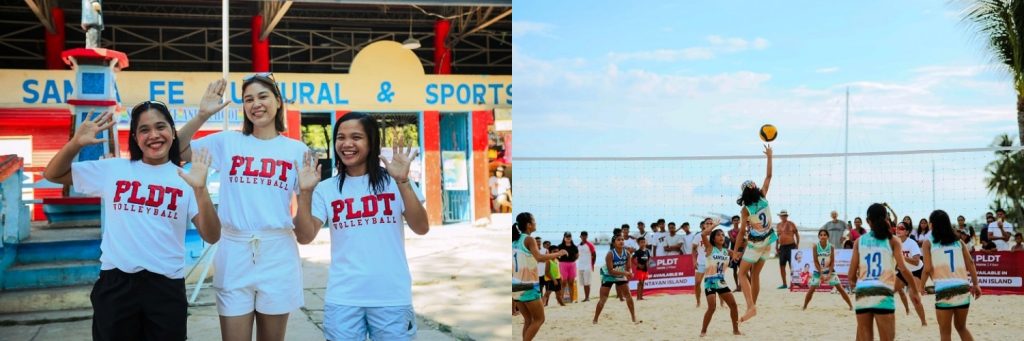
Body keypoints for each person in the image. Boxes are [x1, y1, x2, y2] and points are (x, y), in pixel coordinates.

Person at [44, 105, 220, 340]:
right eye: (144, 130)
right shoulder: (114, 170)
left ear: (173, 132)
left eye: (160, 127)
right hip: (117, 285)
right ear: (135, 138)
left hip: (165, 288)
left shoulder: (186, 178)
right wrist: (76, 143)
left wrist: (200, 189)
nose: (154, 135)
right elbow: (53, 174)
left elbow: (212, 235)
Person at [177, 76, 309, 340]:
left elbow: (306, 221)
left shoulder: (296, 150)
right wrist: (202, 115)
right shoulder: (227, 142)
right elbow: (176, 150)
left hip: (278, 253)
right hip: (235, 250)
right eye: (248, 99)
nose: (255, 104)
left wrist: (307, 192)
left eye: (263, 96)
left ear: (278, 102)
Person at [293, 112, 429, 340]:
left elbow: (421, 227)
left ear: (371, 142)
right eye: (341, 137)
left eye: (356, 137)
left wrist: (403, 182)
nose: (347, 144)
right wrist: (305, 193)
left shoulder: (395, 181)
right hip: (343, 298)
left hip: (391, 297)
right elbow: (304, 236)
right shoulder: (327, 189)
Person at [849, 203, 922, 341]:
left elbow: (851, 276)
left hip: (863, 293)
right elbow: (904, 269)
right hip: (883, 293)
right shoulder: (893, 240)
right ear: (886, 219)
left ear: (867, 221)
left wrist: (857, 287)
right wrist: (915, 290)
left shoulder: (859, 241)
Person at [920, 209, 982, 341]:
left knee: (945, 332)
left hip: (944, 290)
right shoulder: (958, 241)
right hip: (962, 287)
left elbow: (927, 268)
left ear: (932, 224)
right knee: (962, 328)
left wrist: (921, 286)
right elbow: (970, 263)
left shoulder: (928, 242)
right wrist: (976, 284)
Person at [731, 144, 776, 322]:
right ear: (755, 189)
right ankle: (753, 305)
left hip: (756, 244)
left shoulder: (746, 209)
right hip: (769, 241)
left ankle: (751, 306)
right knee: (755, 275)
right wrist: (770, 156)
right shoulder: (764, 196)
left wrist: (735, 251)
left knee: (742, 274)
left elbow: (741, 232)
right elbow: (769, 176)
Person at [511, 213, 567, 341]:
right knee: (539, 319)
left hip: (515, 284)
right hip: (528, 284)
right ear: (529, 225)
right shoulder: (529, 239)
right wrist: (558, 253)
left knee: (528, 320)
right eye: (534, 221)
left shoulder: (514, 241)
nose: (536, 223)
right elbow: (540, 257)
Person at [698, 223, 742, 337]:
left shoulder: (727, 251)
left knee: (733, 305)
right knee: (712, 307)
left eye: (723, 235)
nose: (722, 236)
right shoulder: (710, 248)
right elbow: (703, 234)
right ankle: (703, 330)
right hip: (710, 281)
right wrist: (714, 225)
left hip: (721, 281)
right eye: (718, 235)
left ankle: (735, 330)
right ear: (713, 238)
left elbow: (739, 255)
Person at [592, 236, 640, 324]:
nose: (621, 241)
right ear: (614, 243)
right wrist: (625, 273)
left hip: (620, 274)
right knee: (603, 299)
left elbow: (629, 267)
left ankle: (634, 318)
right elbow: (611, 271)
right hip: (608, 275)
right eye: (618, 240)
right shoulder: (610, 254)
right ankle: (595, 319)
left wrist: (630, 272)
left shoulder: (627, 253)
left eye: (622, 239)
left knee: (628, 296)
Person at [802, 230, 852, 310]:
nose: (823, 236)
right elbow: (815, 261)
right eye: (821, 235)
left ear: (827, 237)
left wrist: (829, 273)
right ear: (819, 237)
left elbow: (832, 261)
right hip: (818, 271)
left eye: (825, 235)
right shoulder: (815, 247)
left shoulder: (831, 246)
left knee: (840, 288)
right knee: (811, 289)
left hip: (830, 270)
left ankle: (851, 306)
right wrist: (821, 274)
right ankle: (804, 306)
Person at [894, 220, 927, 325]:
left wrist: (902, 258)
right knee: (889, 292)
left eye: (901, 228)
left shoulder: (911, 243)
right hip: (903, 271)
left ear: (907, 232)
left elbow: (916, 262)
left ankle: (924, 322)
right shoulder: (894, 242)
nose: (898, 230)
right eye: (897, 228)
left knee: (913, 296)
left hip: (916, 271)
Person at [776, 210, 799, 289]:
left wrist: (797, 245)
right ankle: (784, 284)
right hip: (782, 247)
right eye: (782, 215)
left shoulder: (791, 224)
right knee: (782, 265)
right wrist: (776, 246)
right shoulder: (778, 225)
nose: (783, 217)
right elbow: (777, 236)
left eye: (785, 215)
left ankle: (793, 283)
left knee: (792, 265)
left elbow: (797, 234)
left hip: (791, 246)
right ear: (780, 216)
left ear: (787, 216)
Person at [692, 218, 712, 307]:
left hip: (712, 262)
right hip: (701, 262)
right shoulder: (698, 236)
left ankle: (722, 303)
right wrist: (694, 261)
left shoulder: (715, 235)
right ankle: (698, 302)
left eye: (711, 223)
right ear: (703, 225)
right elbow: (693, 249)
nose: (709, 224)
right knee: (697, 283)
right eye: (707, 223)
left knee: (717, 283)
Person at [557, 232, 579, 303]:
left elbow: (577, 255)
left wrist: (573, 260)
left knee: (571, 283)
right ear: (564, 237)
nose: (568, 238)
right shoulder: (560, 246)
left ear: (571, 238)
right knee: (563, 282)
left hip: (572, 264)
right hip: (563, 264)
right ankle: (561, 300)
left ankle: (572, 300)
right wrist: (560, 260)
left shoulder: (574, 246)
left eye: (569, 237)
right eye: (567, 237)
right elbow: (556, 254)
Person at [578, 231, 597, 302]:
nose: (584, 237)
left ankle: (587, 297)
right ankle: (586, 297)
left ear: (587, 236)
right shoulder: (579, 245)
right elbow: (576, 254)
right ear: (580, 236)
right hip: (580, 266)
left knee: (587, 282)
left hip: (587, 266)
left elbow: (594, 255)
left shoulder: (590, 245)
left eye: (585, 235)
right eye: (582, 235)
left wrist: (593, 264)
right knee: (583, 283)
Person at [727, 215, 744, 292]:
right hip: (733, 251)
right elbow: (733, 241)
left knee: (742, 270)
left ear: (739, 221)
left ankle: (741, 286)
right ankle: (737, 286)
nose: (736, 221)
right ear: (732, 221)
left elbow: (742, 241)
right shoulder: (730, 231)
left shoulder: (742, 230)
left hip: (741, 251)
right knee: (734, 270)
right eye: (735, 220)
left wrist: (740, 238)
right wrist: (740, 238)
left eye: (737, 220)